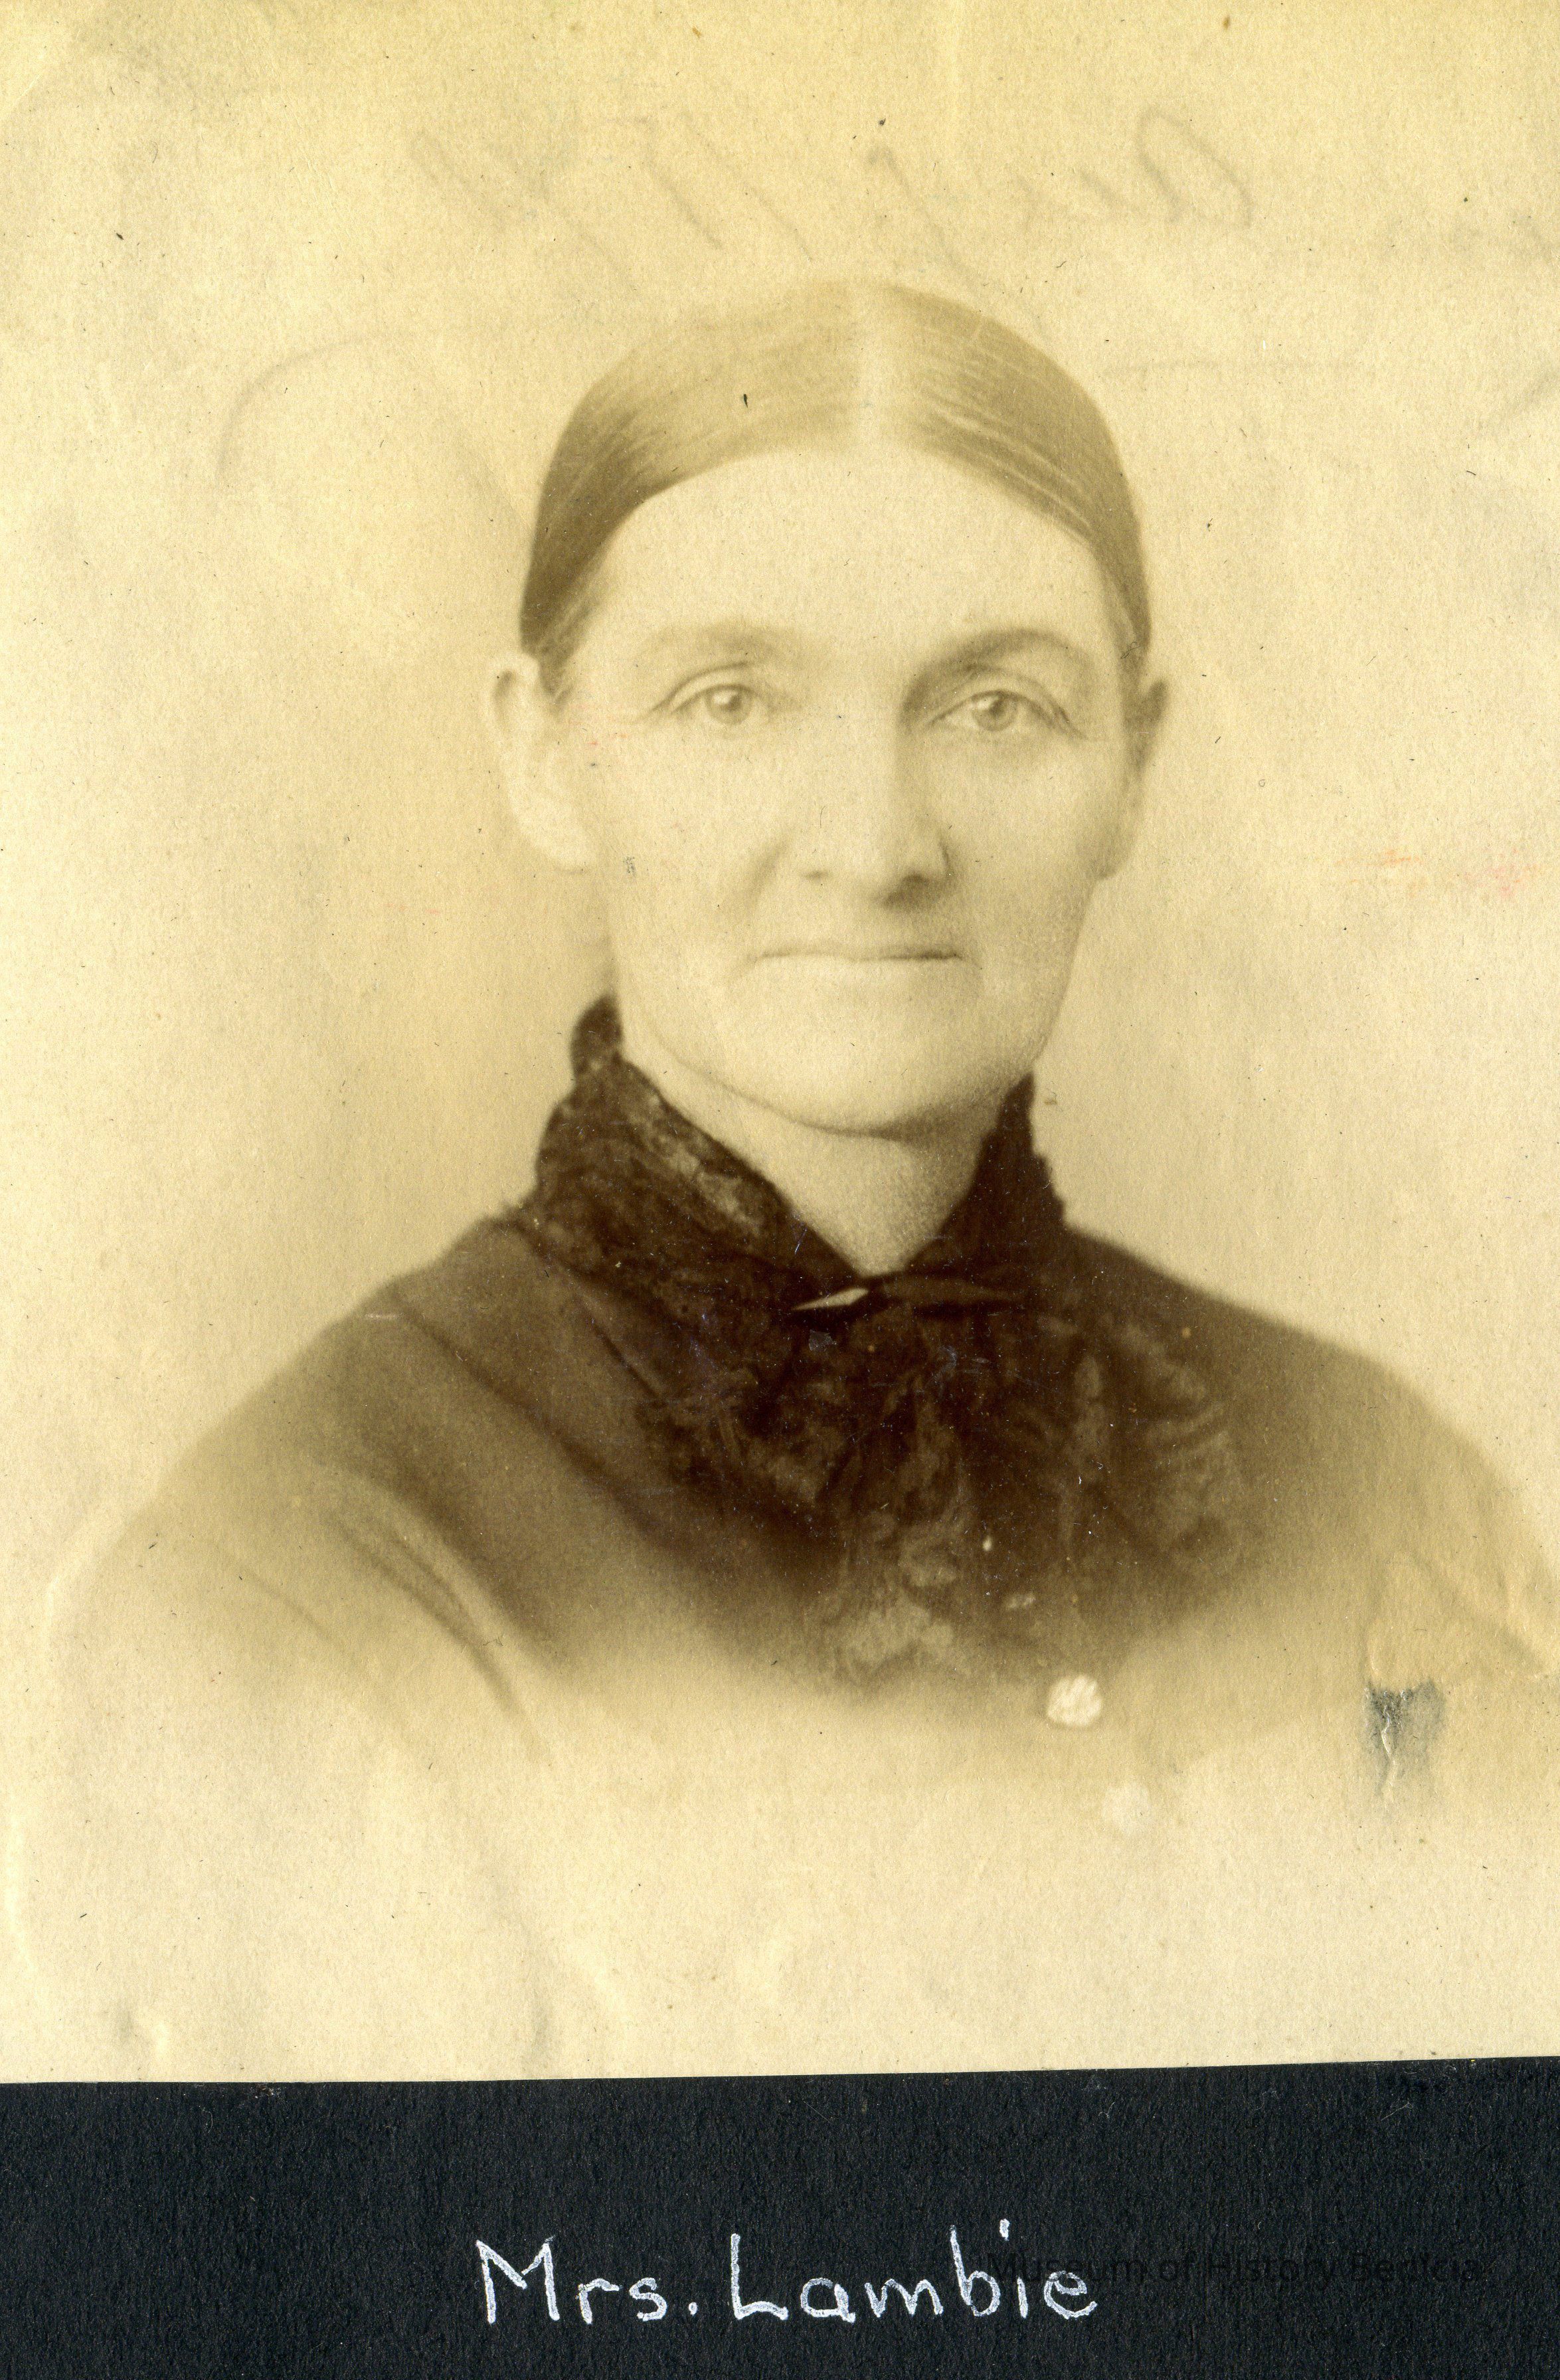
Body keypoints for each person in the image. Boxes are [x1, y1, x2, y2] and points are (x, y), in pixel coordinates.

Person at [16, 280, 1559, 2078]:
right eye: (732, 700)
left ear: (1133, 767)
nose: (878, 845)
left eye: (995, 706)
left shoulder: (1377, 1485)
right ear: (543, 754)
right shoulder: (287, 1588)